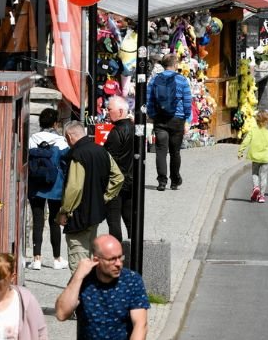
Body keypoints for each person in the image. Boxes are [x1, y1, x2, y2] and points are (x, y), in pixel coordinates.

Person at [55, 235, 148, 340]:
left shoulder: (132, 281)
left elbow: (140, 324)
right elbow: (61, 313)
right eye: (112, 259)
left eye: (120, 257)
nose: (119, 264)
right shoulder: (84, 281)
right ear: (96, 260)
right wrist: (78, 276)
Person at [57, 120, 123, 269]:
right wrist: (105, 197)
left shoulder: (77, 154)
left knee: (79, 263)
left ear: (69, 136)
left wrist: (64, 211)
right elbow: (118, 177)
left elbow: (74, 188)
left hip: (79, 216)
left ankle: (82, 291)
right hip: (96, 214)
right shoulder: (101, 150)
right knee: (90, 257)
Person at [27, 107, 68, 271]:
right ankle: (57, 259)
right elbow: (66, 162)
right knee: (54, 221)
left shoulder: (31, 139)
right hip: (55, 185)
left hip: (35, 184)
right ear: (55, 123)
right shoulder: (60, 141)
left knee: (37, 220)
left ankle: (36, 259)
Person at [145, 53, 191, 191]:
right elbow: (187, 101)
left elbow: (149, 100)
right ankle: (175, 180)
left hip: (160, 119)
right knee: (175, 152)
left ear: (163, 65)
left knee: (161, 151)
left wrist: (153, 116)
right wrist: (187, 119)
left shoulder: (154, 80)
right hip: (177, 119)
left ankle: (162, 181)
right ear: (175, 64)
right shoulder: (182, 80)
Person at [102, 95, 137, 241]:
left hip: (117, 182)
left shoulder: (116, 132)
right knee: (130, 221)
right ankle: (132, 252)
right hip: (132, 180)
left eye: (109, 109)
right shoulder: (135, 129)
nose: (107, 112)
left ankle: (117, 254)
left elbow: (110, 158)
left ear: (121, 111)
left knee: (114, 221)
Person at [238, 109, 268, 202]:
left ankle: (256, 187)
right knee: (264, 176)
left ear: (256, 120)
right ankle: (262, 196)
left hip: (255, 157)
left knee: (255, 173)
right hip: (265, 158)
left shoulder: (253, 131)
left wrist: (240, 152)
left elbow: (245, 142)